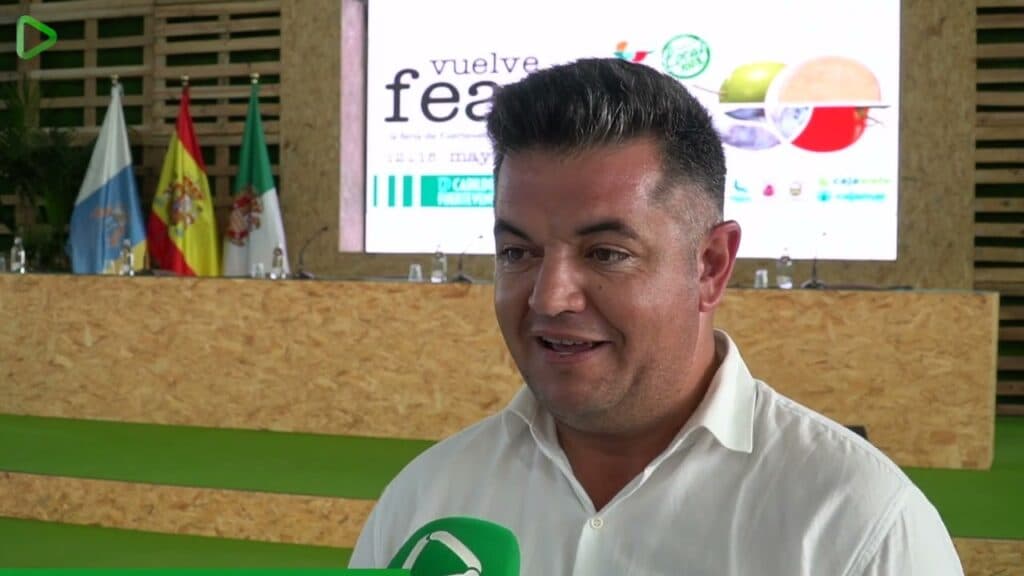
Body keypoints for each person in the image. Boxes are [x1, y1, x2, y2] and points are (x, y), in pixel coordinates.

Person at [349, 58, 963, 575]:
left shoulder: (858, 522)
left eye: (606, 254)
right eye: (518, 252)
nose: (549, 298)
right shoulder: (427, 501)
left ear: (711, 266)